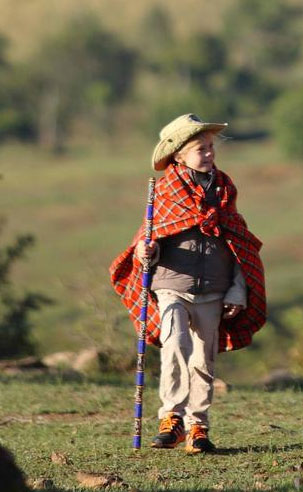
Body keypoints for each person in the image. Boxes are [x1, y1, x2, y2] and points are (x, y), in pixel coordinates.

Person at [110, 113, 267, 454]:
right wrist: (145, 252)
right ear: (179, 154)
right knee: (175, 345)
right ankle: (171, 418)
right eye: (200, 148)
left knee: (203, 360)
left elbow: (239, 243)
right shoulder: (166, 190)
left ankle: (198, 426)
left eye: (211, 147)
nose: (209, 153)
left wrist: (237, 289)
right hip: (171, 286)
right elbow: (149, 241)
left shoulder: (225, 189)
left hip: (214, 289)